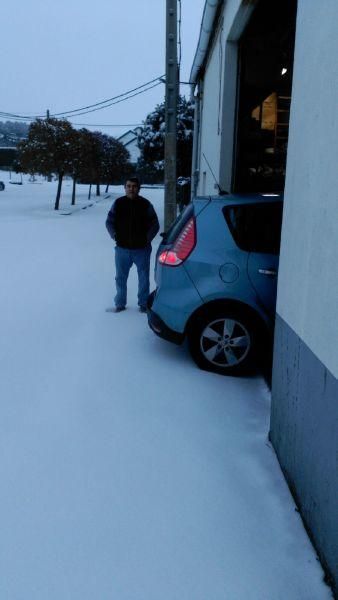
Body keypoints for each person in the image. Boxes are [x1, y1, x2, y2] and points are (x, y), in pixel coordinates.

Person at [105, 177, 159, 313]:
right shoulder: (118, 203)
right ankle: (120, 304)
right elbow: (109, 222)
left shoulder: (146, 204)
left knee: (143, 278)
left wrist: (146, 240)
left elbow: (155, 224)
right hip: (122, 249)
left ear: (139, 188)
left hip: (142, 249)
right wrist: (115, 235)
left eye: (134, 186)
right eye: (128, 186)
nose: (131, 189)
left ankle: (143, 304)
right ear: (125, 188)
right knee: (120, 277)